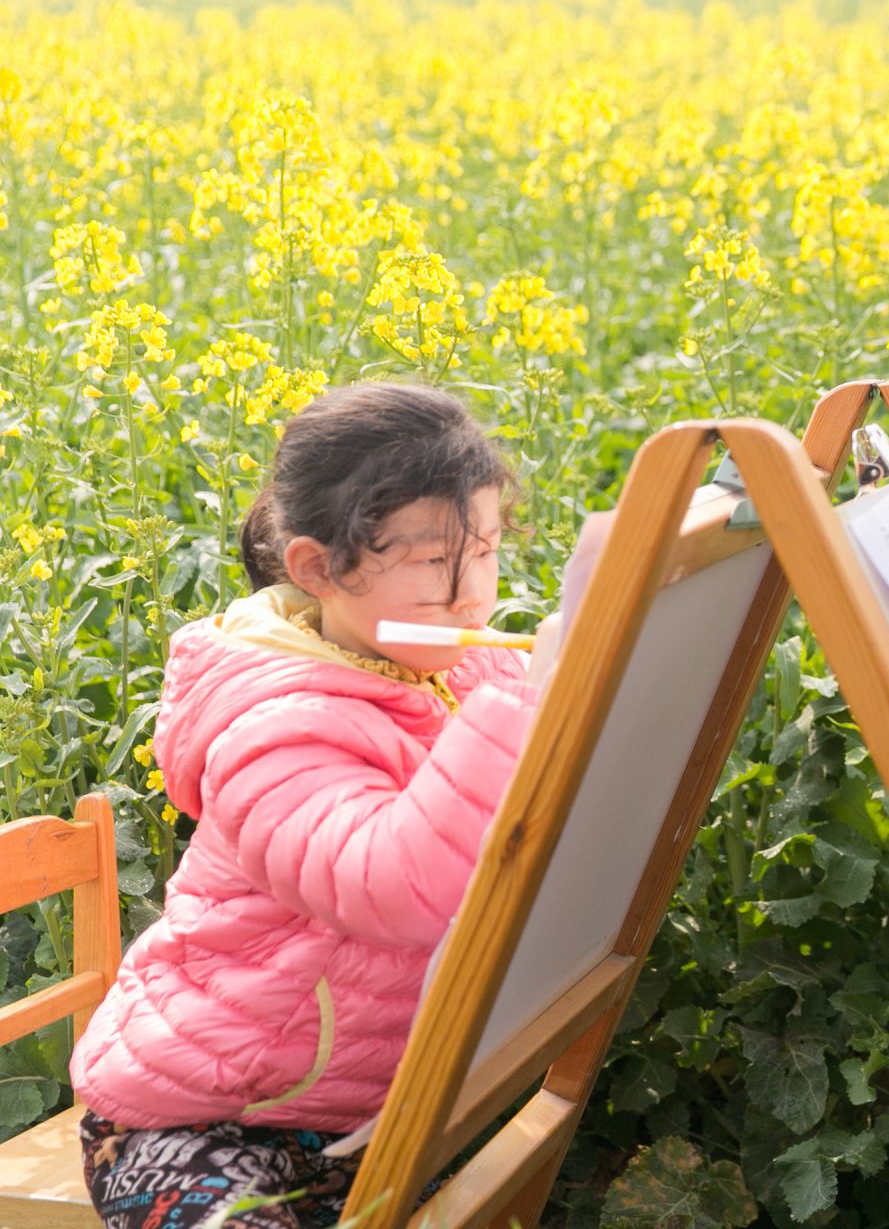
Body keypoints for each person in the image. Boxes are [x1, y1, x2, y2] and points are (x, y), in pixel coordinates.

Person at [71, 381, 562, 1229]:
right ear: (317, 569)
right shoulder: (273, 727)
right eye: (434, 566)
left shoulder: (468, 675)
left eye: (483, 552)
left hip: (369, 1116)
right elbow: (390, 886)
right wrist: (521, 714)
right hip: (201, 1119)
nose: (473, 594)